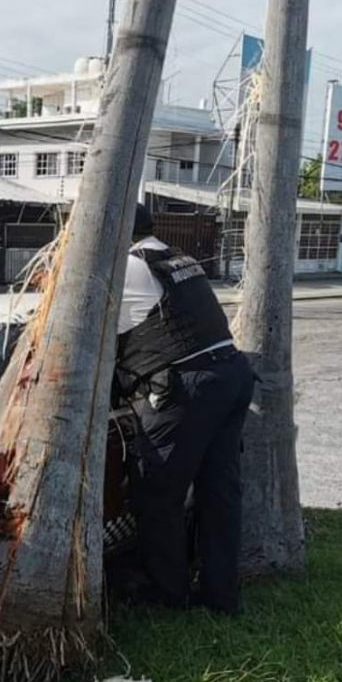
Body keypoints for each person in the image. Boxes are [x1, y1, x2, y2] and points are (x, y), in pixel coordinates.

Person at [114, 203, 255, 615]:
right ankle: (221, 595)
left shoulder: (126, 267)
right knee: (219, 491)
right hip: (231, 375)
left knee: (158, 491)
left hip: (189, 386)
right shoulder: (176, 259)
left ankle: (167, 596)